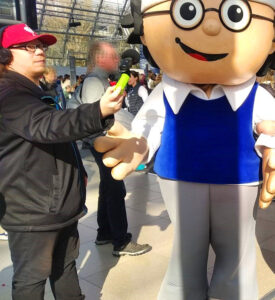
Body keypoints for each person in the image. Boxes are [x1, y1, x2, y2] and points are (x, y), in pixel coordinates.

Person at [94, 0, 275, 299]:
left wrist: (270, 147)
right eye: (187, 12)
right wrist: (138, 144)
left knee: (237, 254)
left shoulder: (257, 95)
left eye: (234, 13)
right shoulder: (165, 92)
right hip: (179, 179)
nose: (212, 26)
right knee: (186, 252)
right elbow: (149, 126)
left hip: (240, 181)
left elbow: (270, 127)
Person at [0, 23, 123, 300]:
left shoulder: (34, 90)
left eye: (41, 45)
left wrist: (77, 170)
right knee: (32, 280)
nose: (39, 51)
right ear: (5, 55)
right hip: (32, 210)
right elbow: (46, 125)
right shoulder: (8, 94)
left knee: (65, 268)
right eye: (28, 46)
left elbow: (56, 134)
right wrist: (98, 110)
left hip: (55, 205)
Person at [80, 41, 152, 256]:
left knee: (107, 188)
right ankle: (121, 241)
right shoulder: (94, 81)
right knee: (115, 188)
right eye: (113, 56)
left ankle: (105, 233)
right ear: (101, 58)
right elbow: (95, 116)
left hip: (103, 141)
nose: (117, 60)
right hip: (103, 142)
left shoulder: (99, 79)